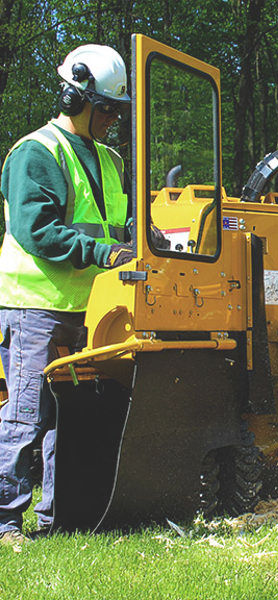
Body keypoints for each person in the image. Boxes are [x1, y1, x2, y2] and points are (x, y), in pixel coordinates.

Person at [0, 44, 135, 544]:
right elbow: (39, 233)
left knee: (70, 418)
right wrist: (103, 254)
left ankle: (59, 518)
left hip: (87, 308)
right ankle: (4, 522)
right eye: (105, 108)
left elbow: (116, 226)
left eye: (117, 110)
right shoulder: (36, 152)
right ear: (74, 97)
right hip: (34, 305)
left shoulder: (111, 158)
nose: (112, 119)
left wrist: (147, 242)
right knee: (25, 415)